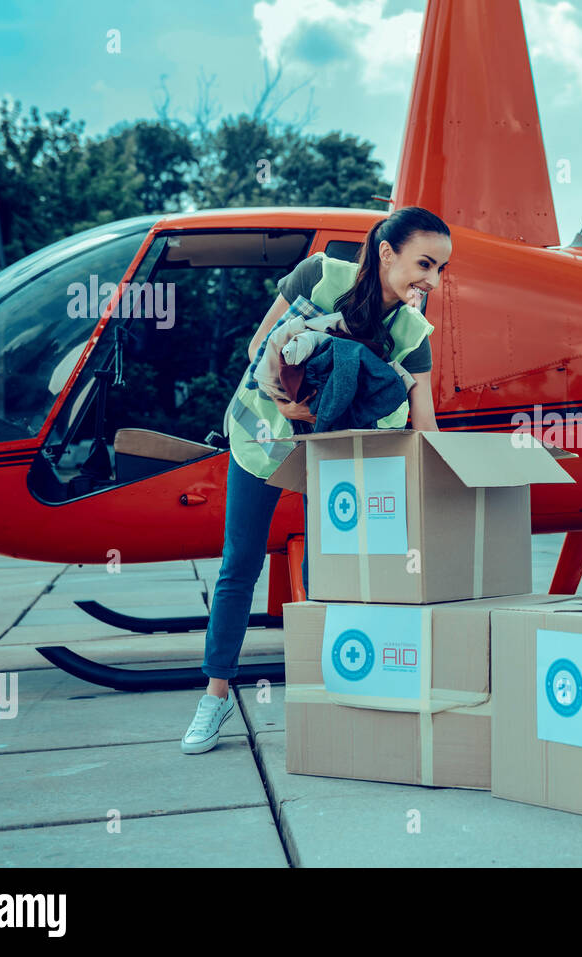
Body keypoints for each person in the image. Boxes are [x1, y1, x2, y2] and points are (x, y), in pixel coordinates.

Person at [181, 206, 452, 754]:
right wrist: (294, 403)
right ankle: (214, 697)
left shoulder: (411, 330)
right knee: (240, 564)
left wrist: (453, 478)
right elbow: (260, 347)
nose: (433, 281)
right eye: (425, 264)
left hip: (333, 452)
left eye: (442, 269)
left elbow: (424, 420)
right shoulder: (317, 276)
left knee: (330, 570)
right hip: (264, 435)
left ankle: (333, 693)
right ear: (385, 252)